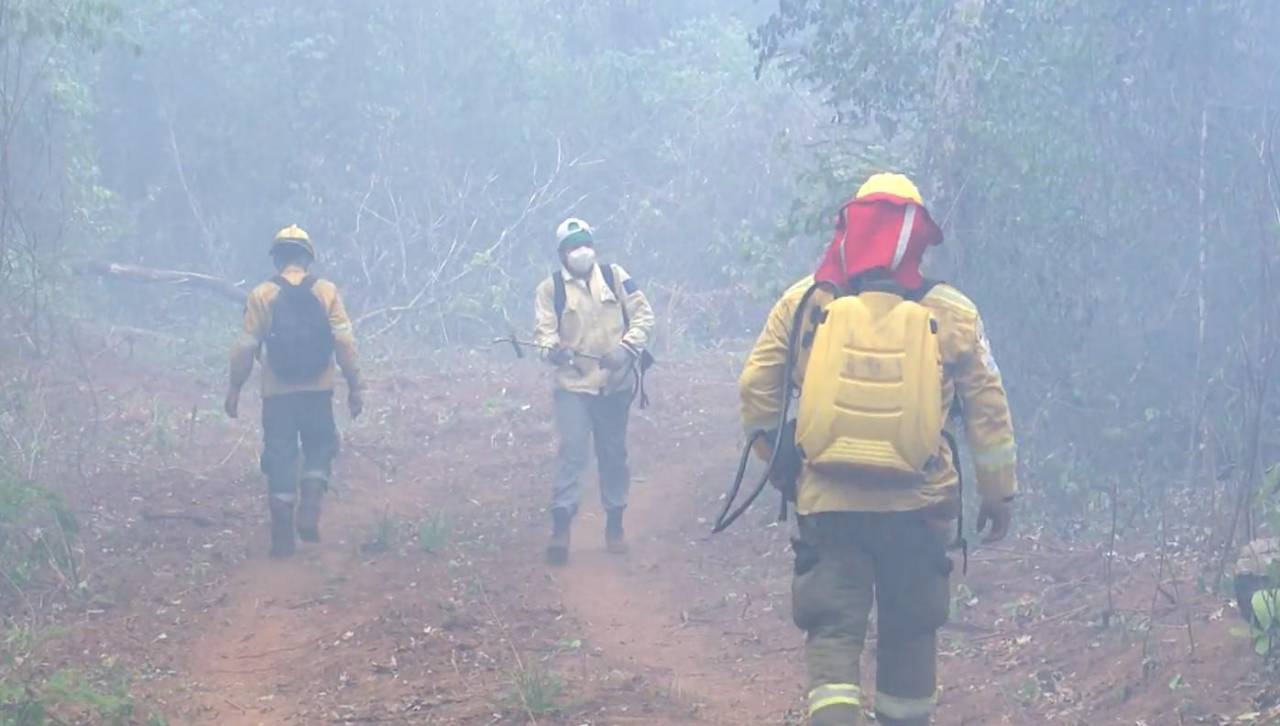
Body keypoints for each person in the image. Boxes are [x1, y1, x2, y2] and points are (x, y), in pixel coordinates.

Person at [737, 174, 1018, 725]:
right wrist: (998, 494)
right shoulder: (953, 311)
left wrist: (778, 463)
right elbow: (988, 406)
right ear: (916, 237)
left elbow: (756, 387)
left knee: (834, 633)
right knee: (910, 632)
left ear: (849, 230)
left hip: (830, 503)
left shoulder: (804, 303)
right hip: (918, 507)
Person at [225, 224, 364, 557]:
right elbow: (345, 343)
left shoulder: (261, 295)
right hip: (318, 391)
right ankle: (311, 504)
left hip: (277, 394)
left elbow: (246, 347)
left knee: (280, 455)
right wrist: (356, 386)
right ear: (307, 258)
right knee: (320, 445)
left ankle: (283, 537)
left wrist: (234, 387)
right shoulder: (327, 292)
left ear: (278, 260)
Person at [532, 217, 654, 565]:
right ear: (561, 254)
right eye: (573, 246)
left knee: (613, 454)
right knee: (572, 450)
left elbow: (644, 317)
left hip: (614, 386)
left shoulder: (616, 277)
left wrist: (626, 350)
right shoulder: (550, 289)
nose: (581, 251)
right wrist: (553, 351)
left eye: (586, 243)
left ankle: (614, 524)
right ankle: (561, 525)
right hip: (573, 385)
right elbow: (543, 334)